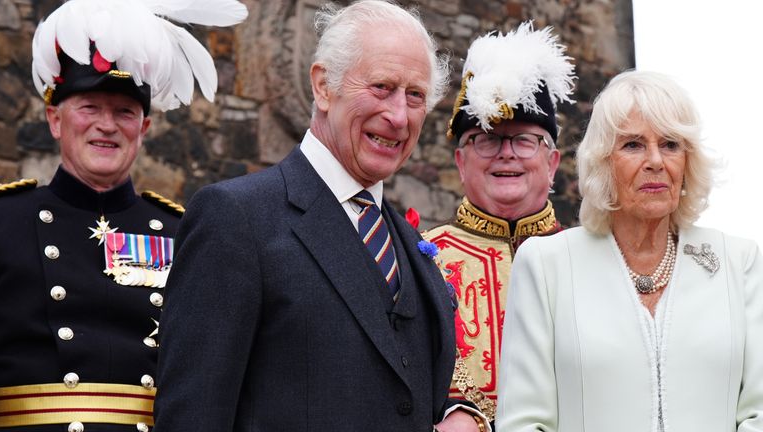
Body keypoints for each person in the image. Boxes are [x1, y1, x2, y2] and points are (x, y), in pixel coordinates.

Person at [153, 1, 487, 431]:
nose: (399, 116)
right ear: (324, 86)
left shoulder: (410, 246)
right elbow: (193, 417)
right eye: (382, 87)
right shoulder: (236, 219)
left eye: (416, 96)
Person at [0, 1, 247, 431]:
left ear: (144, 129)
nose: (107, 125)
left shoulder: (182, 234)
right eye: (89, 107)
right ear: (55, 120)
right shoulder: (2, 221)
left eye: (124, 112)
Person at [495, 69, 763, 432]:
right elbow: (523, 423)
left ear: (687, 162)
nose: (655, 161)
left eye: (670, 144)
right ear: (604, 161)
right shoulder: (546, 265)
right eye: (633, 144)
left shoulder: (741, 262)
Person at [423, 23, 575, 424]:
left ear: (552, 163)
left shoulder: (593, 261)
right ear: (461, 162)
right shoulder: (418, 261)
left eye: (524, 140)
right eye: (486, 139)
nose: (506, 155)